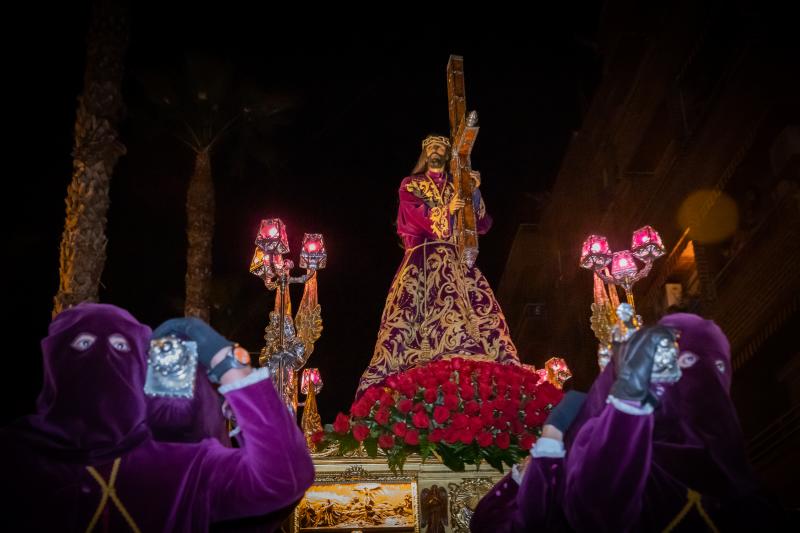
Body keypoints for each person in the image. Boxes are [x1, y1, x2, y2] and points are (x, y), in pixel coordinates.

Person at [1, 303, 314, 532]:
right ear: (55, 360)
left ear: (141, 368)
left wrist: (225, 362)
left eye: (120, 345)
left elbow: (284, 478)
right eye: (83, 343)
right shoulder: (16, 458)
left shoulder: (185, 468)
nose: (104, 356)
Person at [472, 313, 781, 531]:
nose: (681, 377)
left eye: (690, 362)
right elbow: (594, 506)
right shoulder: (596, 449)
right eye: (665, 361)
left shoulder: (750, 499)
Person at [357, 134, 518, 395]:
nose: (436, 151)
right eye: (431, 147)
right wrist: (448, 210)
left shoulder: (456, 186)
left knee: (473, 312)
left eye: (441, 148)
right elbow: (414, 215)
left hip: (457, 262)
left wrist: (473, 191)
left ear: (447, 155)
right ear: (425, 153)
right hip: (422, 260)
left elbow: (480, 224)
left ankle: (471, 365)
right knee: (410, 315)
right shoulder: (411, 184)